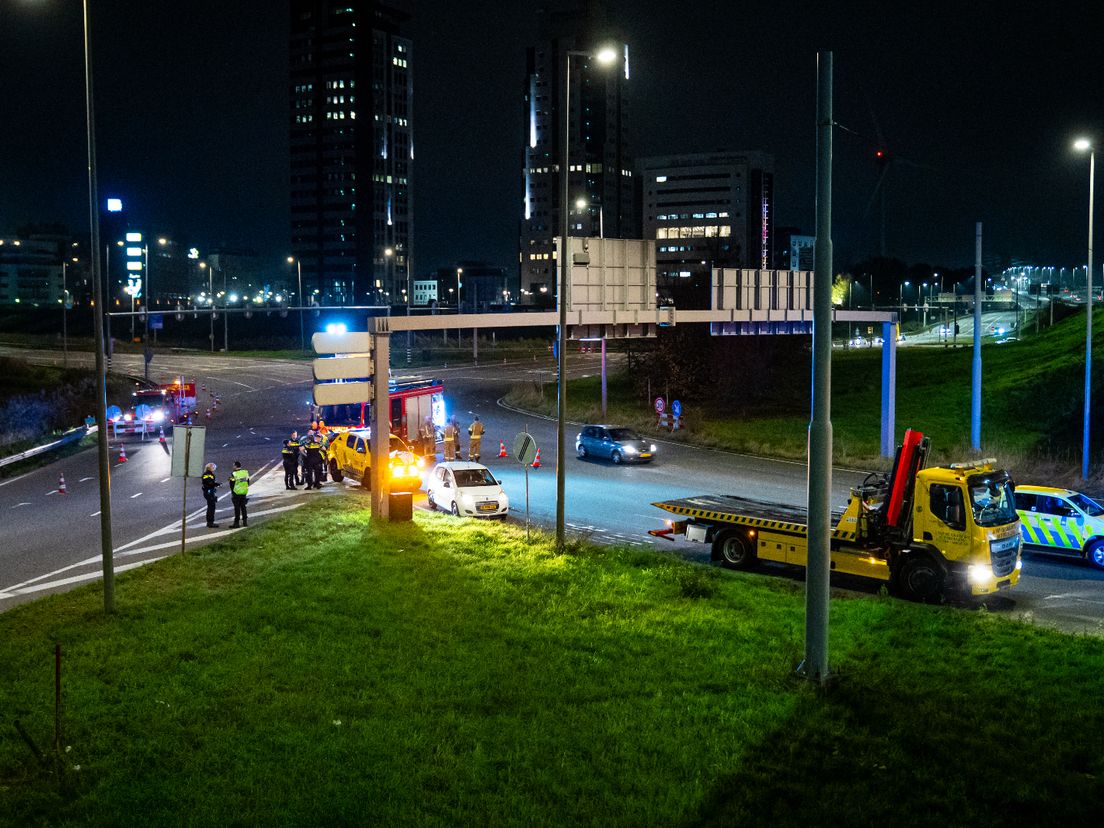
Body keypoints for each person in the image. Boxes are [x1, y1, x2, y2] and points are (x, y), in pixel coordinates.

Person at [228, 460, 250, 528]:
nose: (233, 467)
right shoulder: (245, 472)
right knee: (243, 507)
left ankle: (236, 523)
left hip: (236, 492)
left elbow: (232, 484)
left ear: (235, 466)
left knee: (237, 508)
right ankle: (245, 522)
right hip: (243, 492)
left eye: (233, 465)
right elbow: (247, 481)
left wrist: (233, 492)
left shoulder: (234, 474)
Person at [201, 462, 220, 528]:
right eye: (213, 467)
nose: (214, 468)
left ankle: (209, 522)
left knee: (211, 507)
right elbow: (210, 483)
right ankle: (210, 522)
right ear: (210, 468)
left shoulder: (207, 474)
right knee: (211, 507)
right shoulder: (208, 474)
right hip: (209, 492)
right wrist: (216, 484)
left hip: (208, 492)